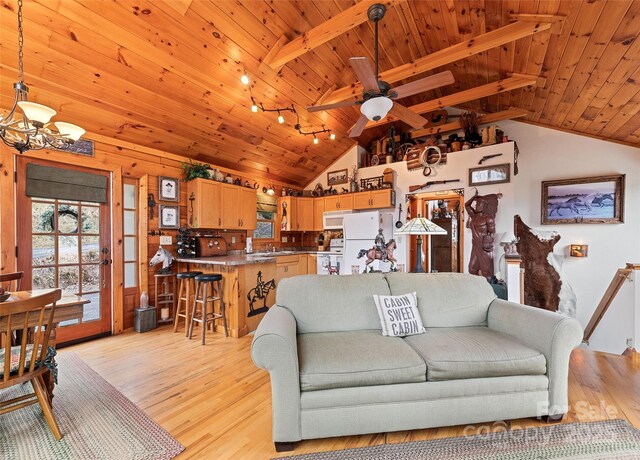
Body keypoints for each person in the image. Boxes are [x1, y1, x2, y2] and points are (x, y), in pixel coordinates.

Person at [465, 193, 500, 279]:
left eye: (479, 204)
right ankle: (477, 286)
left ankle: (489, 288)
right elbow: (466, 205)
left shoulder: (488, 218)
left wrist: (487, 244)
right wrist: (474, 197)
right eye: (477, 204)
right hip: (475, 246)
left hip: (484, 247)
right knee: (471, 269)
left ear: (484, 206)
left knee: (486, 271)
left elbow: (492, 232)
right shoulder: (474, 217)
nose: (477, 205)